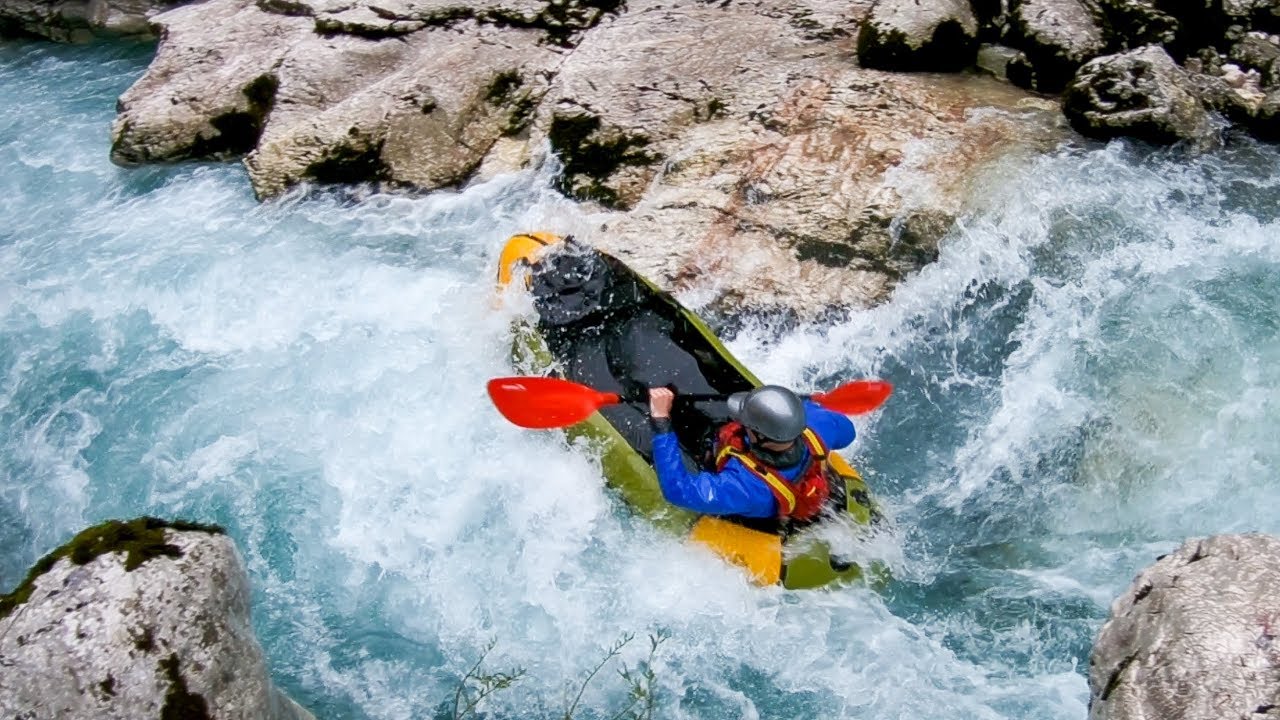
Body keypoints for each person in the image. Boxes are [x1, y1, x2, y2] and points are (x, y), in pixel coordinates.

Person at [647, 384, 855, 522]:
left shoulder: (746, 487)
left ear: (760, 436)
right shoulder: (818, 425)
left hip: (757, 508)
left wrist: (661, 421)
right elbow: (848, 432)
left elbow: (679, 491)